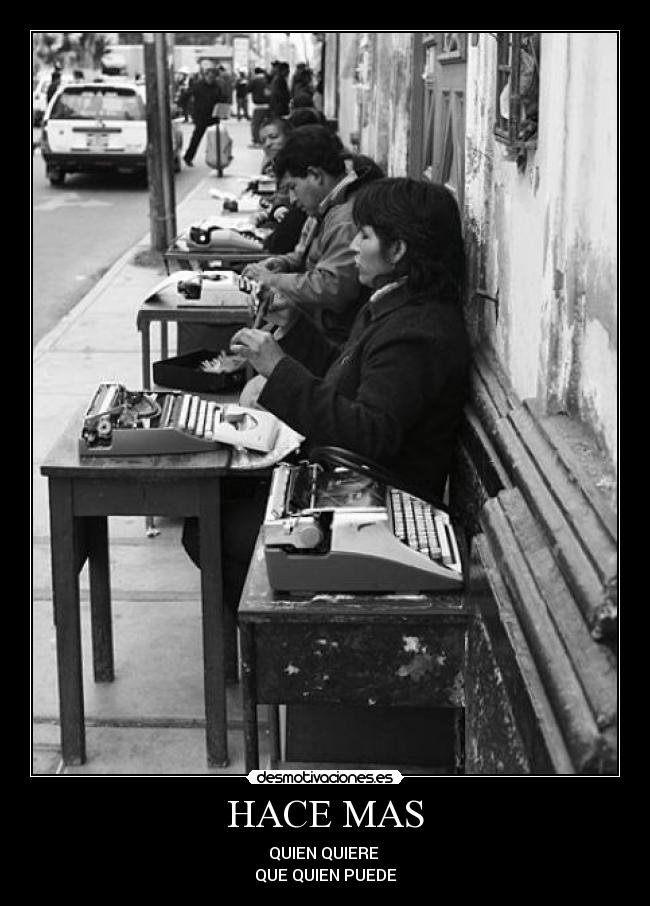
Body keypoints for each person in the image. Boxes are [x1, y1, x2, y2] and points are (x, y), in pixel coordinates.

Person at [182, 177, 470, 657]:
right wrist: (293, 334)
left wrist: (276, 369)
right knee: (214, 504)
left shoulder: (418, 331)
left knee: (210, 531)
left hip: (379, 502)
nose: (353, 246)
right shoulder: (394, 305)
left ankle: (285, 650)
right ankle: (268, 645)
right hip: (350, 482)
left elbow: (368, 432)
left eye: (365, 235)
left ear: (398, 249)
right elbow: (347, 371)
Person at [242, 125, 382, 346]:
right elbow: (305, 255)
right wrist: (283, 264)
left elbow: (333, 287)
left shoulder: (344, 217)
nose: (293, 199)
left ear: (315, 175)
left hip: (337, 337)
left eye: (293, 187)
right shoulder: (325, 207)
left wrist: (273, 280)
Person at [183, 68, 229, 167]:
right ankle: (188, 157)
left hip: (214, 116)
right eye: (209, 77)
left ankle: (219, 157)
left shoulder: (217, 87)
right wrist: (181, 106)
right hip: (201, 116)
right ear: (205, 76)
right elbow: (186, 95)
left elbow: (223, 98)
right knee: (196, 138)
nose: (211, 79)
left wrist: (223, 109)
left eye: (213, 77)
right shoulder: (198, 86)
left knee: (218, 138)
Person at [250, 66, 271, 144]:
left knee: (256, 124)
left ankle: (257, 140)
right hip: (268, 105)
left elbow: (248, 89)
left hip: (258, 106)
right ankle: (265, 139)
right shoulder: (267, 80)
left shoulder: (255, 81)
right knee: (265, 123)